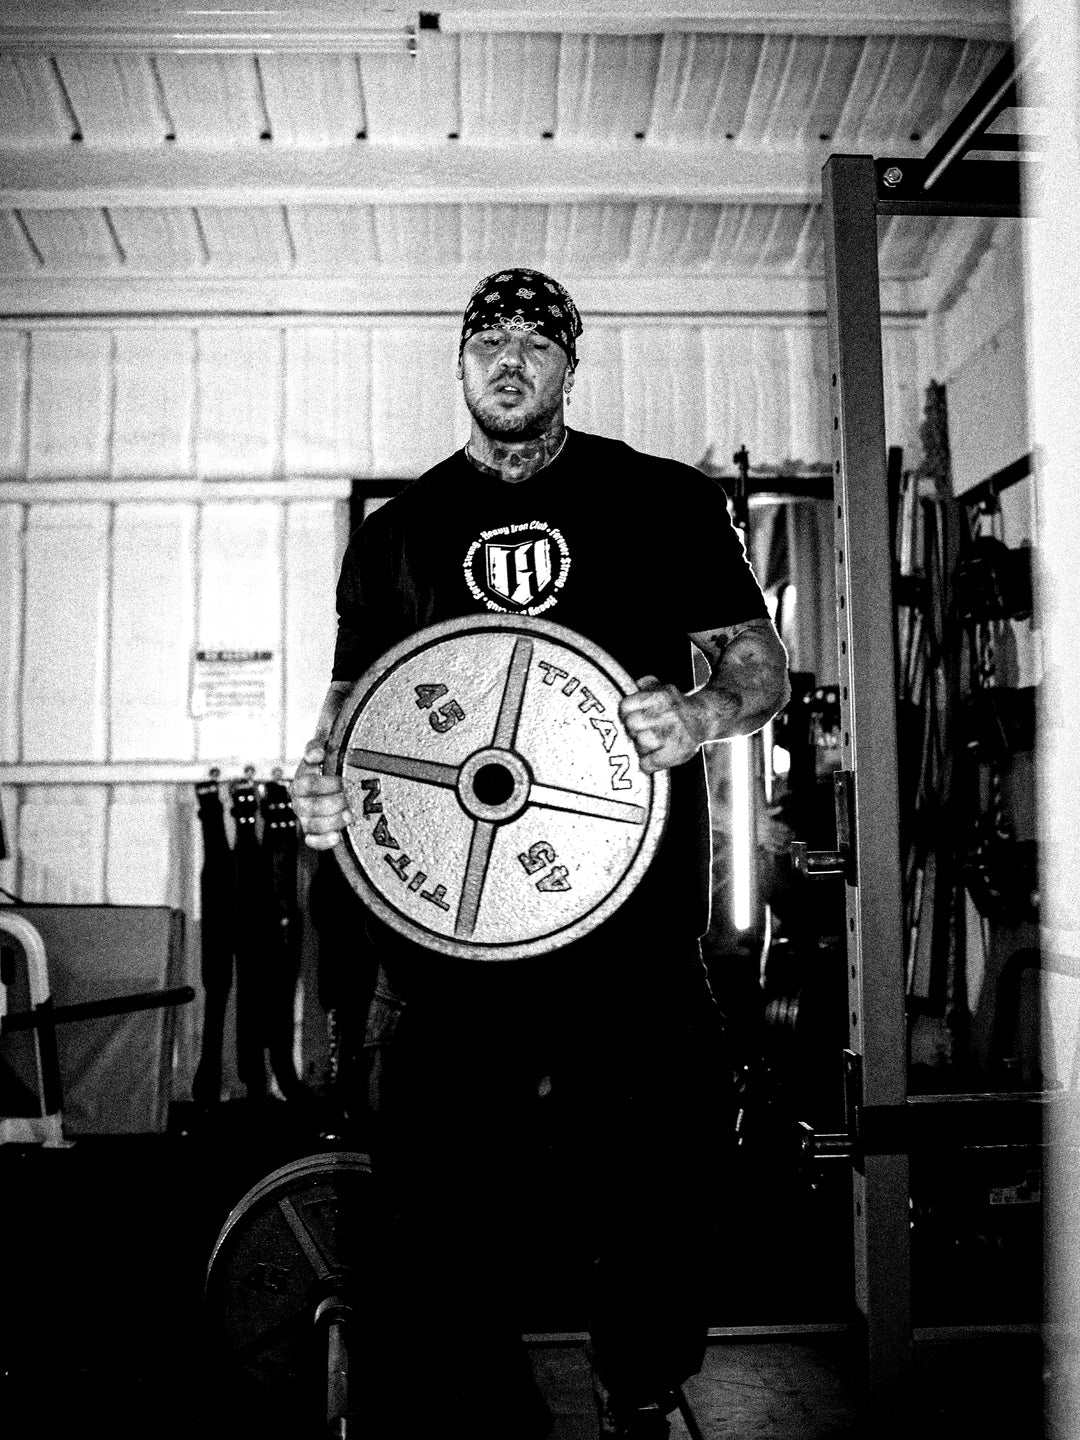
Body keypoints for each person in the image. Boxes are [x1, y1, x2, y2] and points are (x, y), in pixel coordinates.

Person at [291, 269, 789, 1439]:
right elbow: (349, 720)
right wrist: (321, 782)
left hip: (630, 934)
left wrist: (704, 715)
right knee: (436, 1205)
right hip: (447, 950)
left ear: (572, 365)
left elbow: (759, 669)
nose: (509, 359)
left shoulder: (660, 501)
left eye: (536, 341)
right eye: (488, 341)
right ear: (460, 365)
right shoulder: (394, 537)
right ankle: (490, 1409)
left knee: (663, 1187)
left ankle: (639, 1385)